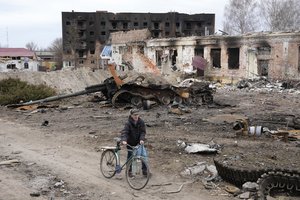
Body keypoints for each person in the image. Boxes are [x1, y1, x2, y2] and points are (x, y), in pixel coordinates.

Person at [120, 108, 147, 176]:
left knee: (143, 156)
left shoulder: (141, 122)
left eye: (137, 114)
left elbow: (143, 132)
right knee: (130, 156)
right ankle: (129, 171)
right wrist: (124, 140)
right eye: (134, 115)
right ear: (131, 115)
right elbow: (125, 132)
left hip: (138, 142)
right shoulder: (128, 123)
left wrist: (141, 139)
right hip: (130, 142)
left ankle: (145, 171)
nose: (136, 116)